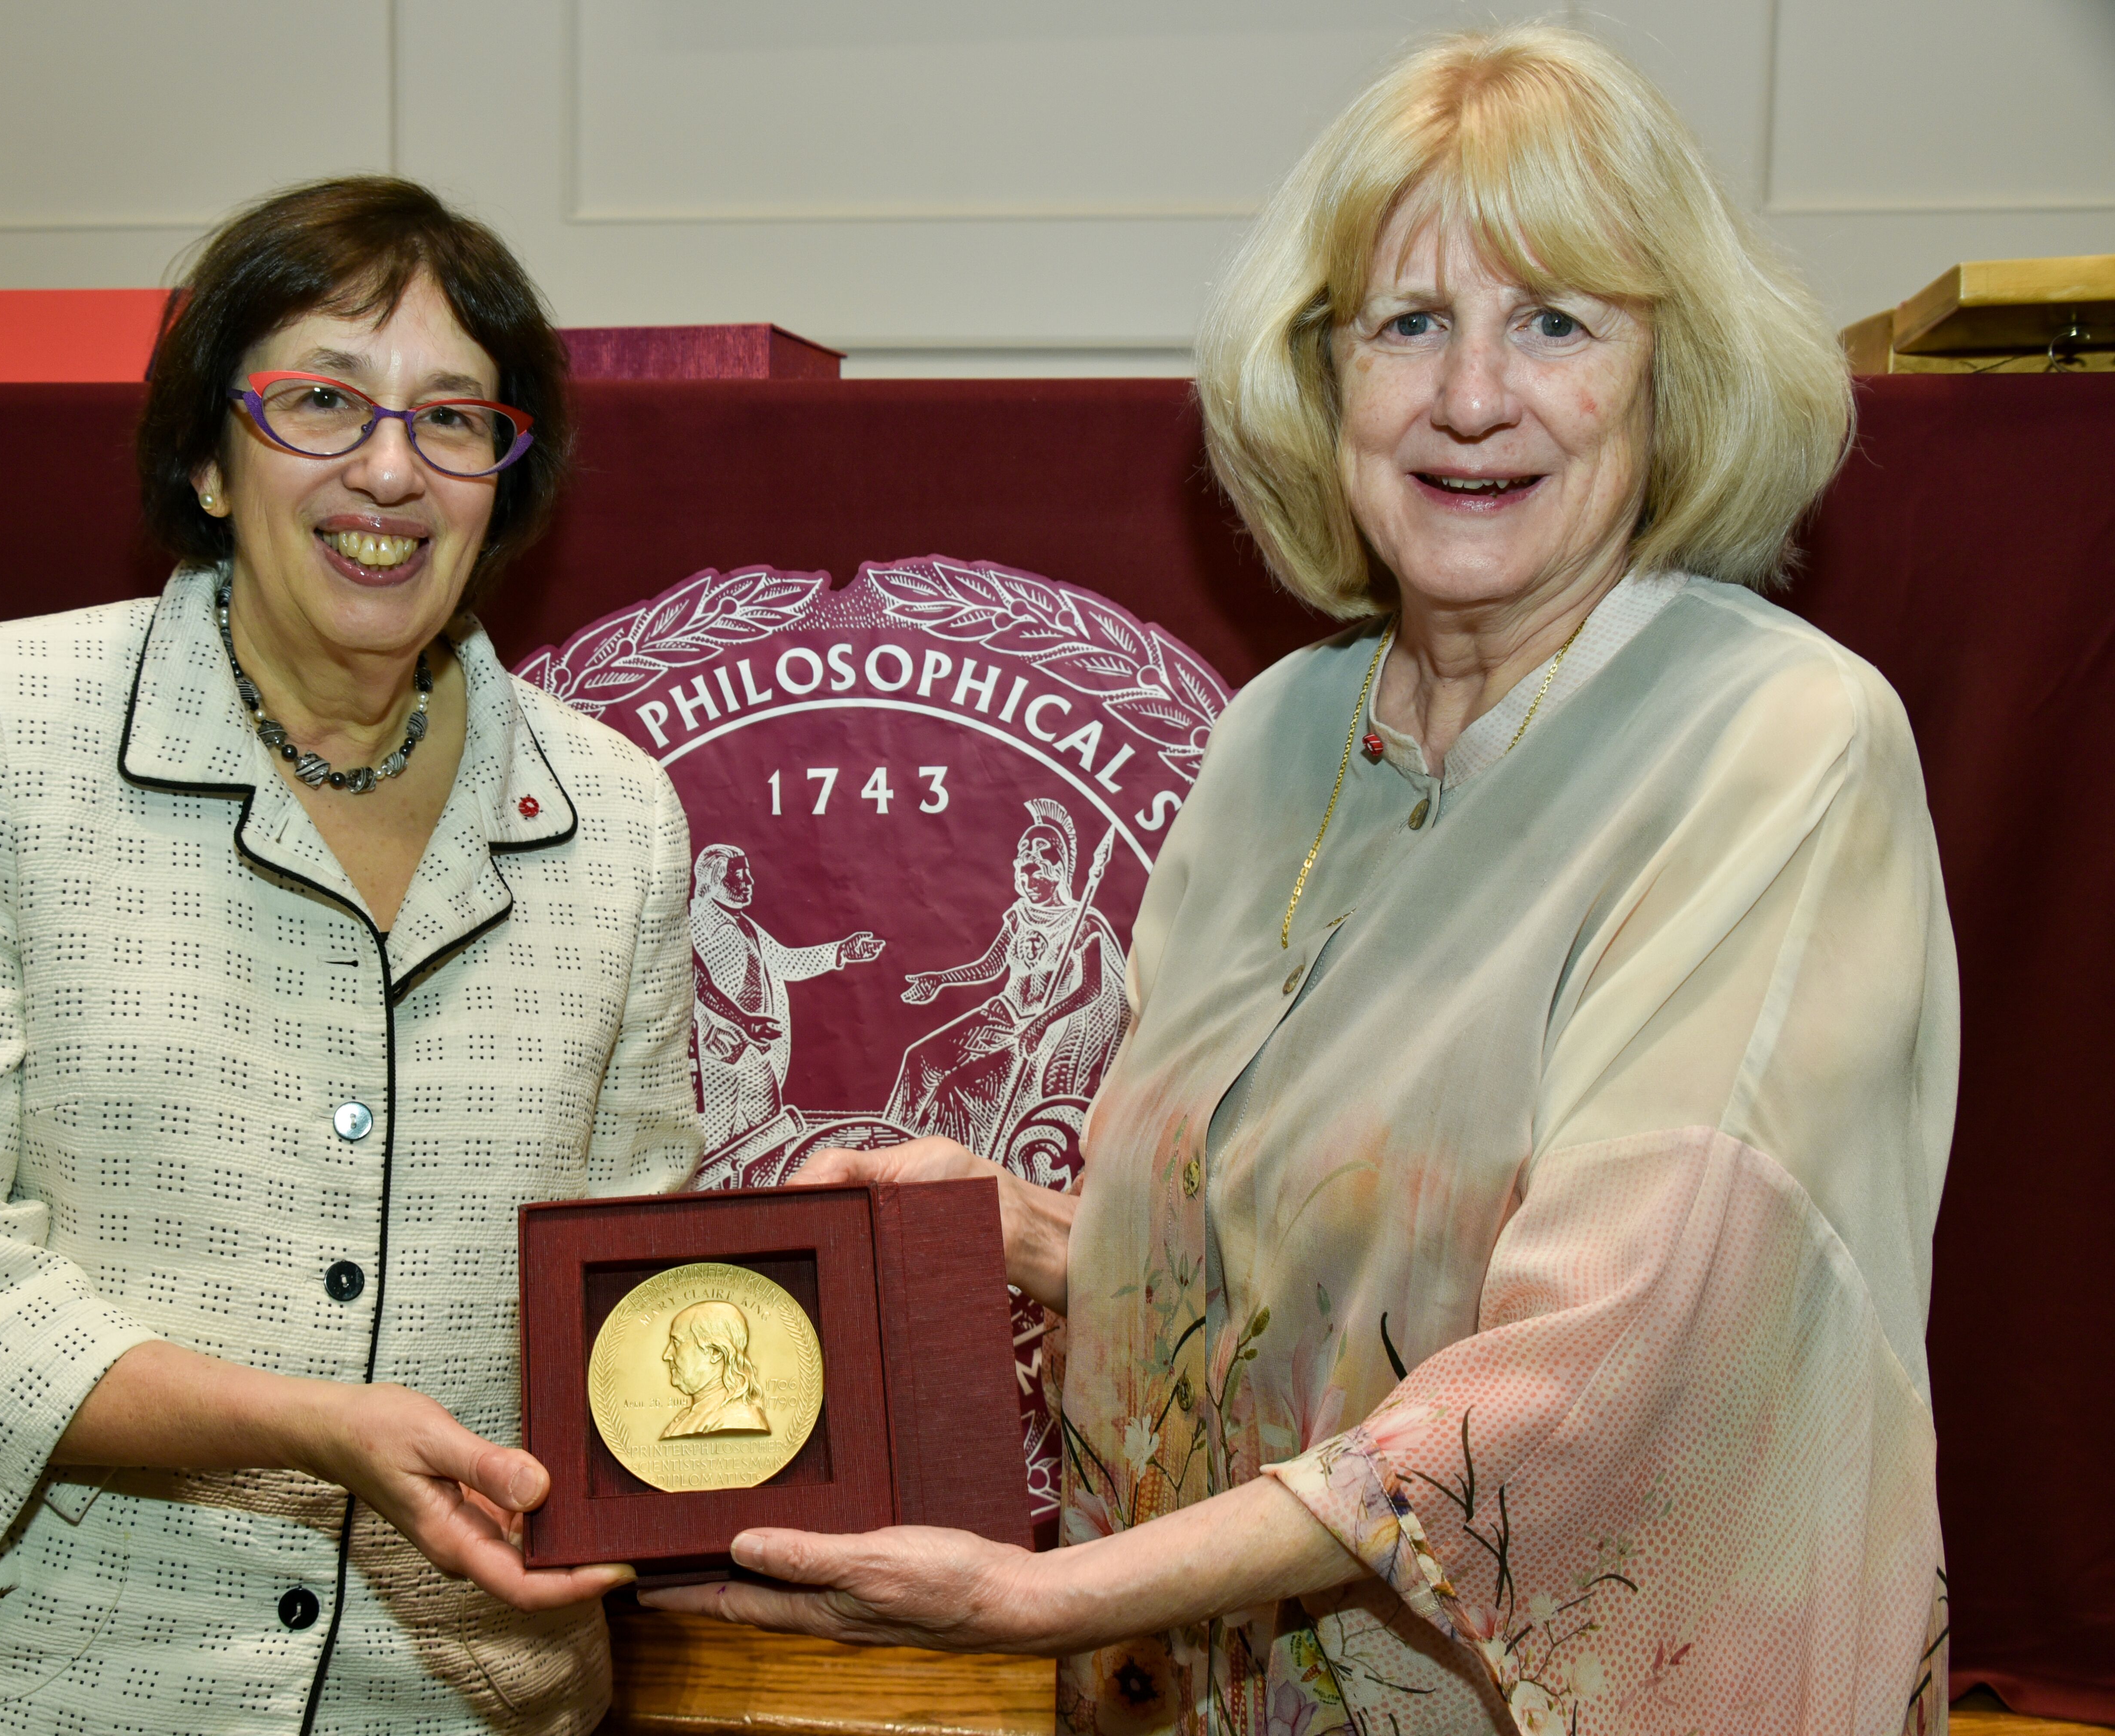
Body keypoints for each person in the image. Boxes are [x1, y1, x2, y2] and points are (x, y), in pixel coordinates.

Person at [648, 26, 1953, 1736]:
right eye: (1408, 323)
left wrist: (1039, 1594)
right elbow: (1294, 1255)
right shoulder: (1280, 735)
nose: (1470, 396)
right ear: (1319, 377)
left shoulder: (1778, 739)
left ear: (1666, 373)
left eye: (1554, 321)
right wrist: (1026, 1233)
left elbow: (1616, 1364)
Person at [0, 177, 700, 1736]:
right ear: (207, 455)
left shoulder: (613, 814)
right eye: (322, 402)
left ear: (503, 477)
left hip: (450, 1698)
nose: (390, 471)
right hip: (11, 1688)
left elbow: (623, 1284)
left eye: (454, 419)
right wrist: (315, 1429)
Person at [882, 799, 1128, 1176]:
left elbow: (1091, 990)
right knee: (920, 1059)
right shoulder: (1019, 916)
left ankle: (953, 1178)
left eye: (1034, 872)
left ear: (1057, 869)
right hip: (1001, 1015)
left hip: (1040, 1035)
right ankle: (889, 1147)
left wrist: (1043, 1022)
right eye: (1022, 872)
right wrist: (940, 980)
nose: (1026, 882)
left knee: (956, 1091)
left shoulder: (1083, 922)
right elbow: (991, 966)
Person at [688, 843, 885, 1155]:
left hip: (754, 1053)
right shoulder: (696, 924)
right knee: (713, 1151)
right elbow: (692, 986)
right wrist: (712, 1031)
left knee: (769, 1139)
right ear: (714, 882)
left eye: (748, 873)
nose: (749, 881)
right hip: (717, 1058)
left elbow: (785, 961)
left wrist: (842, 951)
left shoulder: (745, 925)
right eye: (739, 875)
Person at [658, 1301, 773, 1439]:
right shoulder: (687, 1416)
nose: (667, 1355)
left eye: (676, 1343)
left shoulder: (740, 1420)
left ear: (715, 1353)